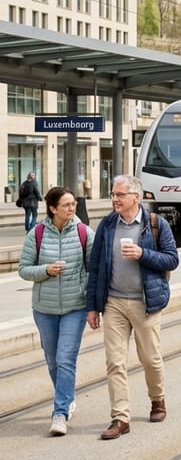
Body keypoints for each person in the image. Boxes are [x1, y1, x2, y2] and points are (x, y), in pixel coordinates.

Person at [86, 174, 179, 440]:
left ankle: (157, 398)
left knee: (150, 358)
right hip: (113, 302)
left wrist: (142, 254)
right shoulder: (106, 225)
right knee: (115, 362)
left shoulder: (155, 224)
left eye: (120, 195)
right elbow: (95, 267)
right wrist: (93, 306)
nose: (115, 199)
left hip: (146, 302)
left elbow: (172, 259)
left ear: (135, 198)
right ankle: (121, 417)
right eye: (113, 194)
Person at [18, 187, 94, 436]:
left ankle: (60, 413)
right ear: (52, 208)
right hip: (44, 308)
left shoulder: (84, 233)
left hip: (75, 306)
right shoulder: (36, 234)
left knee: (65, 359)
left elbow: (95, 268)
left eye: (73, 204)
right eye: (66, 205)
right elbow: (24, 269)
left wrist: (93, 301)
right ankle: (67, 396)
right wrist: (45, 271)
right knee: (52, 360)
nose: (72, 209)